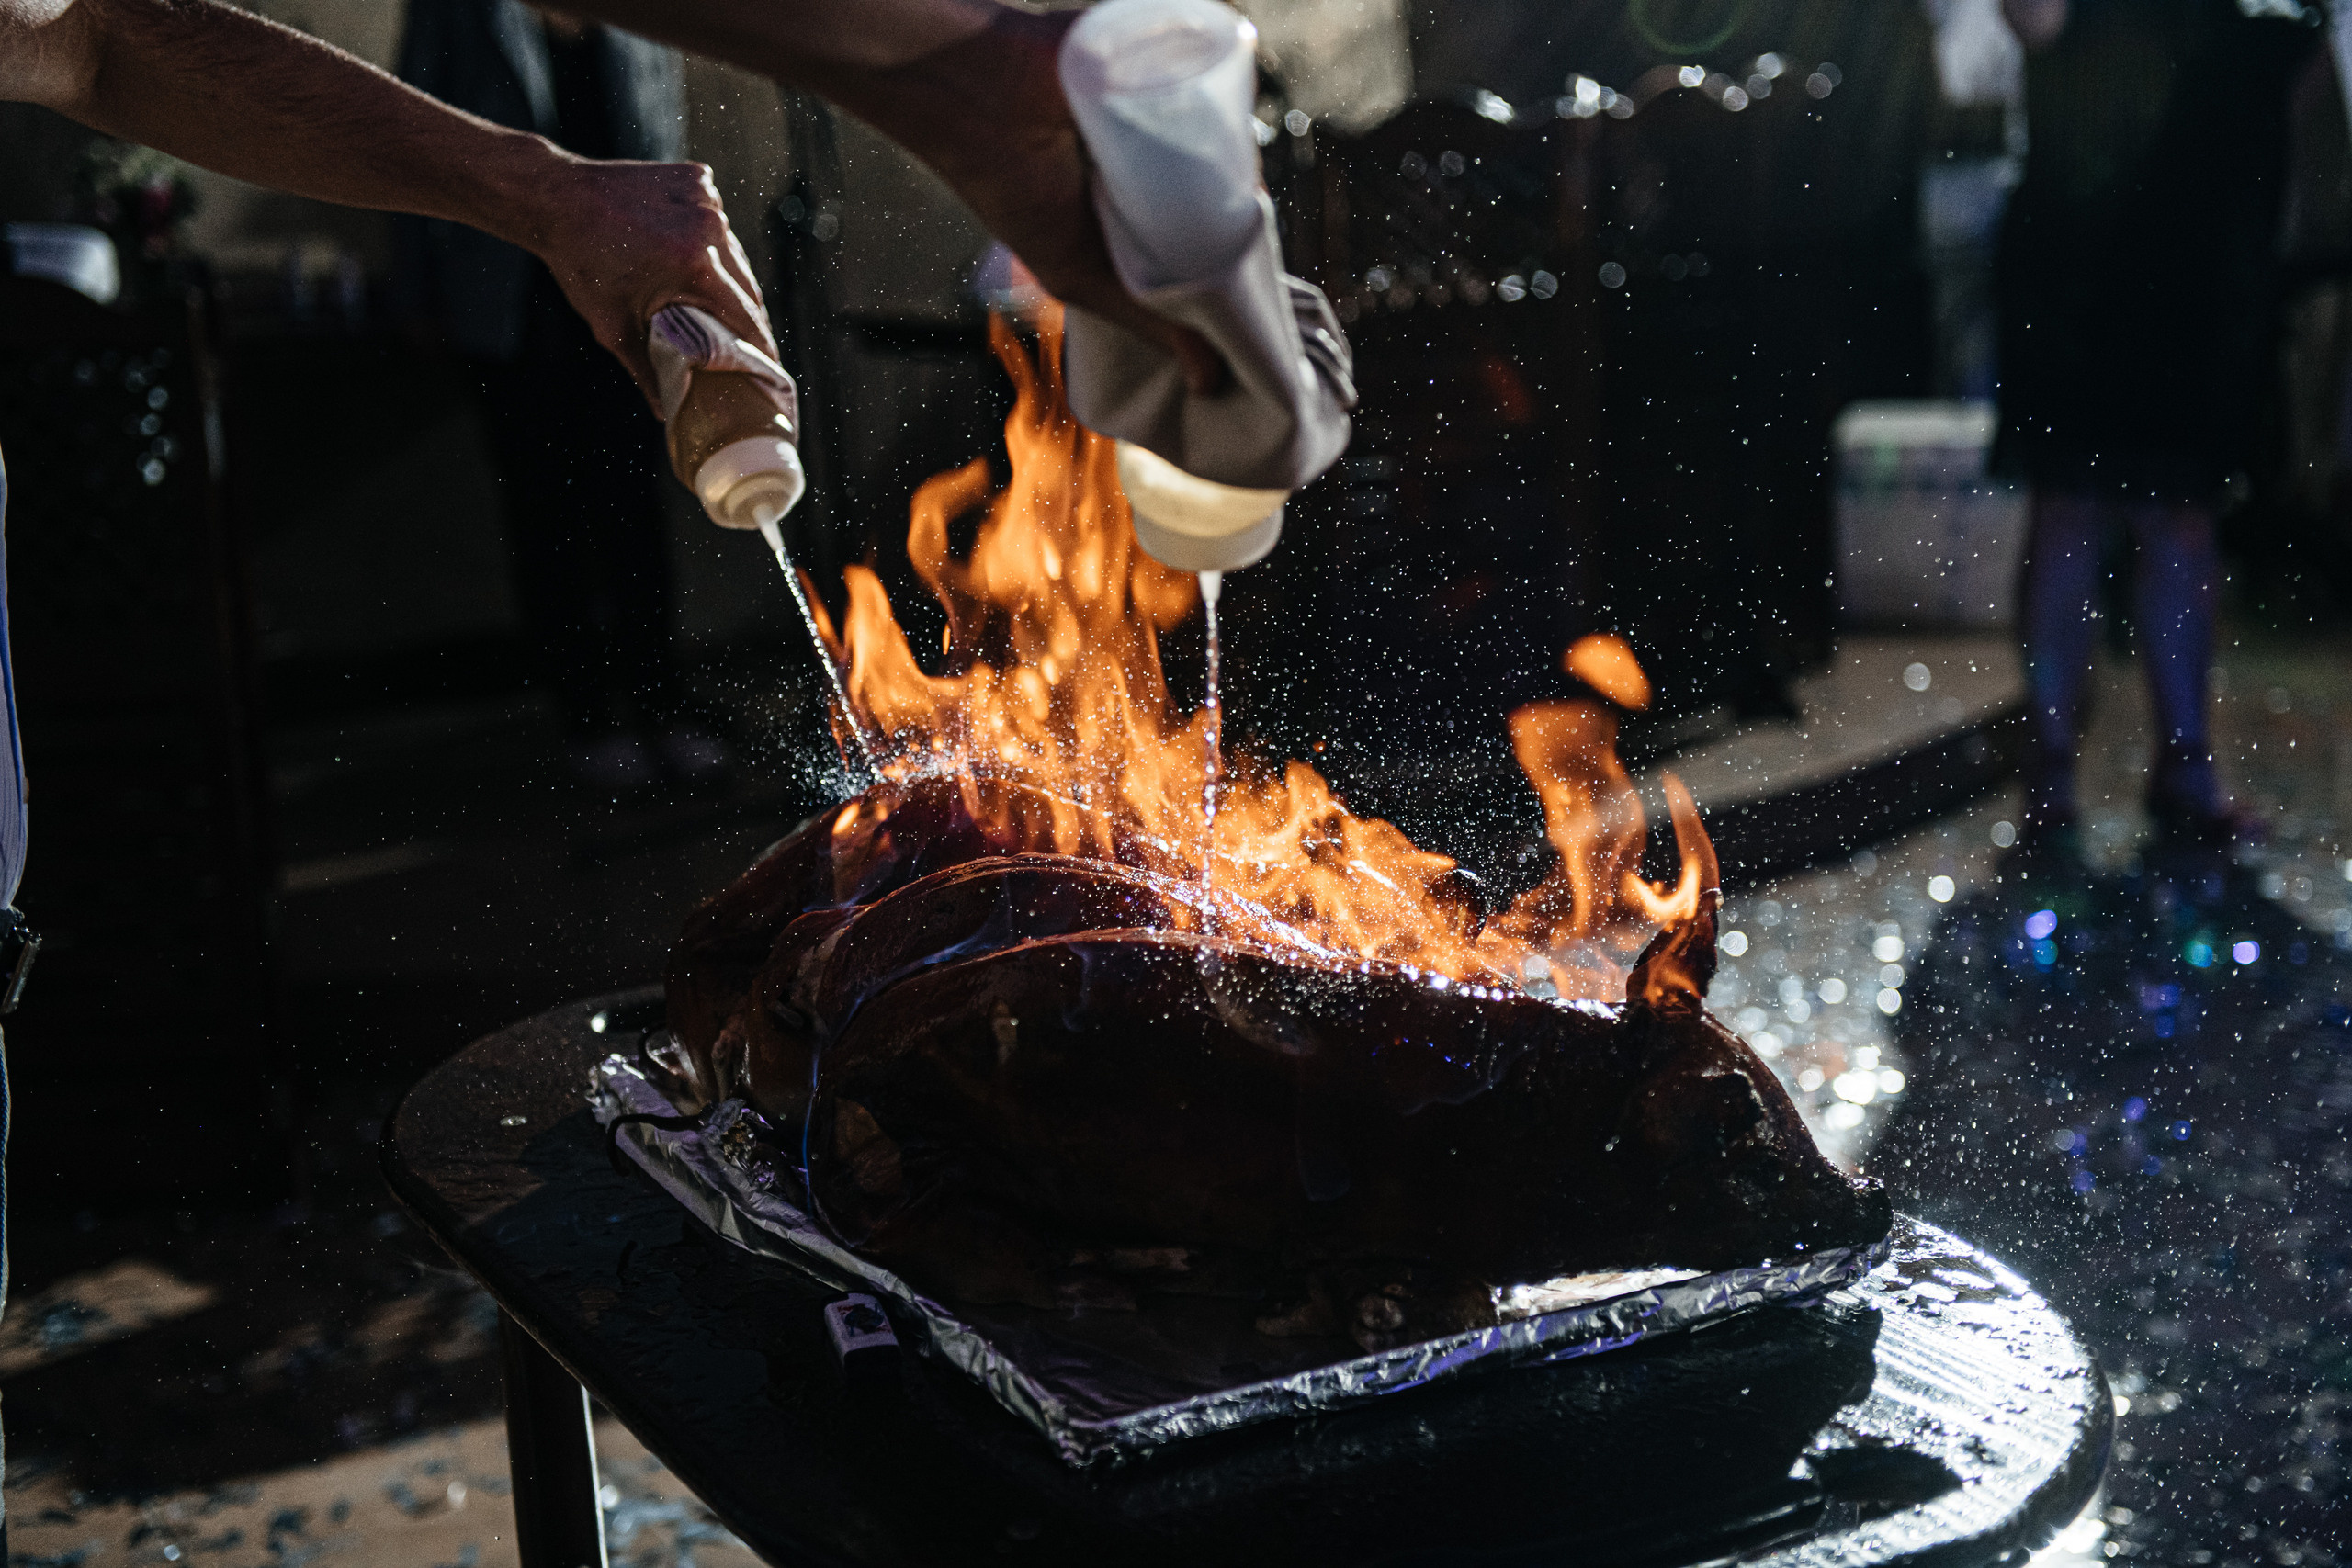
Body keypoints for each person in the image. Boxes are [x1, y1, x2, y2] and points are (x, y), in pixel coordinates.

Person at [1996, 0, 2319, 857]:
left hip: (2208, 267)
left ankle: (2183, 766)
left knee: (2183, 517)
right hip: (2085, 260)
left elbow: (2296, 90)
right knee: (2070, 510)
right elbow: (2030, 20)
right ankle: (2053, 770)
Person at [398, 2, 729, 792]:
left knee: (636, 506)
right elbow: (411, 133)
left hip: (627, 294)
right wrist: (418, 291)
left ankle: (661, 705)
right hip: (515, 301)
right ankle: (588, 720)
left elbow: (663, 133)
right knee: (544, 511)